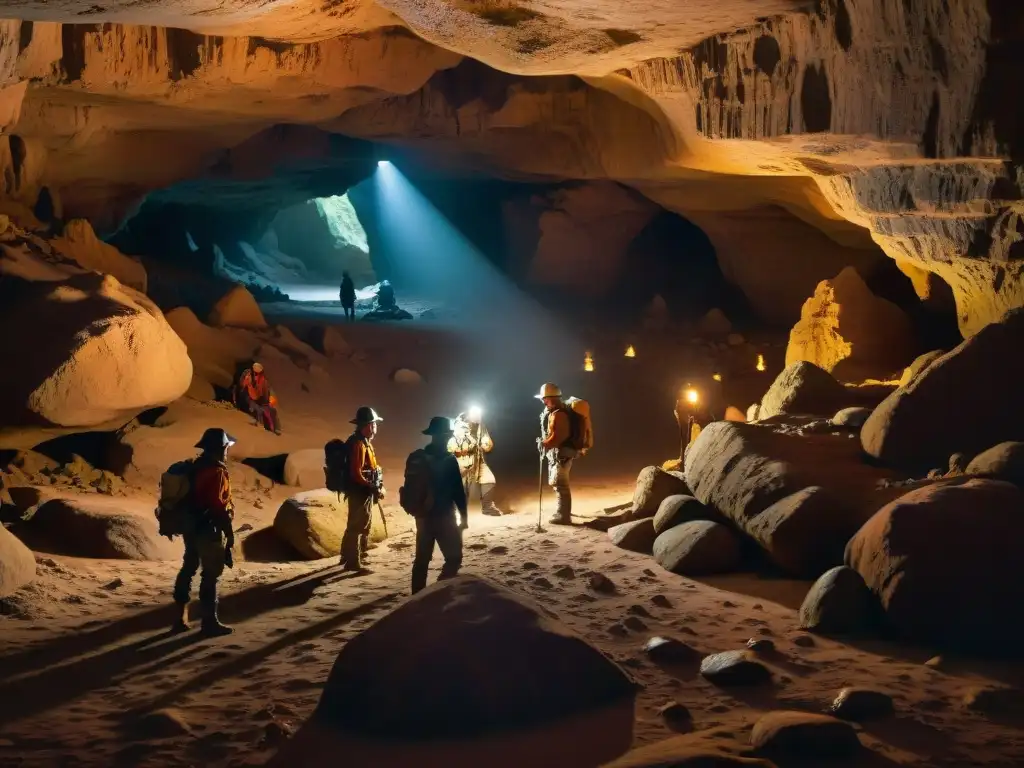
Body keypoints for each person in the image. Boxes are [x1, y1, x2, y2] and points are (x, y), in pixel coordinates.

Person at [172, 428, 236, 637]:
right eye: (227, 447)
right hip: (208, 528)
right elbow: (218, 506)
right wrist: (229, 533)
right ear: (222, 448)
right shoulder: (217, 472)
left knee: (188, 567)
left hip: (190, 525)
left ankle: (179, 618)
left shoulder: (194, 467)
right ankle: (209, 622)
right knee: (210, 574)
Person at [410, 416, 468, 594]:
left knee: (421, 561)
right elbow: (458, 491)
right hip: (444, 516)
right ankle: (440, 593)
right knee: (454, 557)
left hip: (423, 517)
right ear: (445, 436)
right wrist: (464, 518)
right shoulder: (449, 460)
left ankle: (416, 599)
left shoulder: (419, 457)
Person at [340, 406, 384, 573]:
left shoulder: (364, 442)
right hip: (359, 490)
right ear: (368, 425)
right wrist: (370, 485)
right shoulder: (358, 444)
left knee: (359, 523)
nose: (375, 428)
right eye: (374, 424)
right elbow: (356, 472)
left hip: (363, 489)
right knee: (357, 525)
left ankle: (347, 556)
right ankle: (353, 562)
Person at [536, 382, 577, 526]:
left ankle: (563, 515)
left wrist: (545, 443)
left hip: (562, 455)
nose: (543, 401)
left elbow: (560, 436)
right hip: (560, 455)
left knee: (561, 485)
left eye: (544, 399)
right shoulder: (557, 411)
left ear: (550, 398)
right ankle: (563, 511)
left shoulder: (559, 414)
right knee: (558, 483)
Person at [448, 411, 502, 515]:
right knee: (460, 485)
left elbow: (487, 442)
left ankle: (487, 506)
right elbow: (453, 446)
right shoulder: (460, 424)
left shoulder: (480, 426)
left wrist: (485, 444)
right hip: (462, 460)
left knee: (489, 479)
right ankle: (454, 510)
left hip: (478, 459)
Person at [235, 362, 281, 435]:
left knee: (270, 411)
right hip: (252, 400)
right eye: (255, 374)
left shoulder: (262, 381)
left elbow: (262, 394)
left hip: (262, 401)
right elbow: (250, 394)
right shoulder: (250, 378)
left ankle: (272, 429)